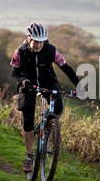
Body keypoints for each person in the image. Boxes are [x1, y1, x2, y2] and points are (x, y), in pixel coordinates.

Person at [10, 22, 84, 172]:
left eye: (41, 41)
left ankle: (50, 130)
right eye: (35, 41)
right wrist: (24, 81)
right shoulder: (20, 52)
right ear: (29, 39)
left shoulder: (51, 51)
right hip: (28, 84)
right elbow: (15, 73)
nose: (38, 45)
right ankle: (29, 156)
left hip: (48, 82)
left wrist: (79, 85)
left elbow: (66, 68)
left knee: (58, 107)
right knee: (28, 118)